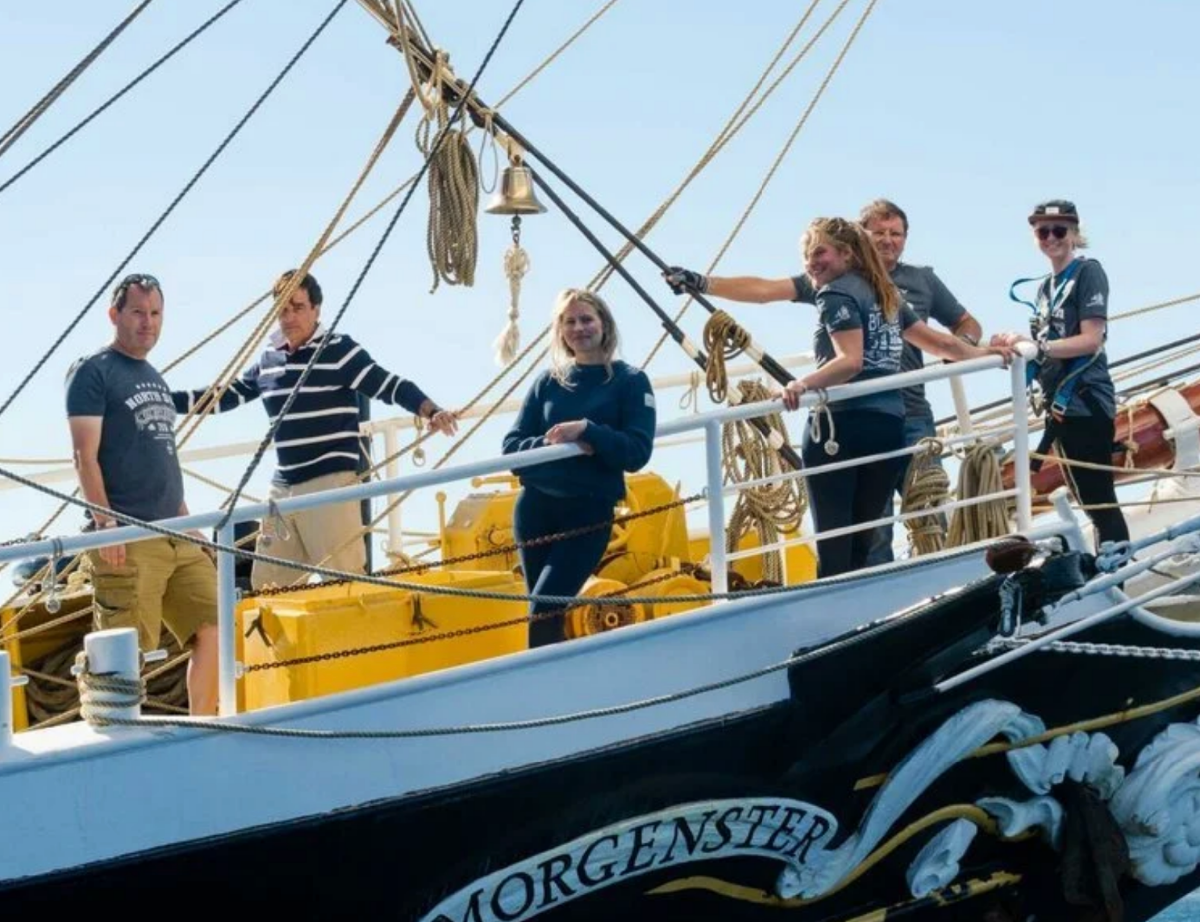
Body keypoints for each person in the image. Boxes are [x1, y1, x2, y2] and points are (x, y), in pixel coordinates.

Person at [667, 218, 1011, 578]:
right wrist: (988, 355)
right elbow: (940, 343)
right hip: (889, 426)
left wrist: (801, 384)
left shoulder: (834, 293)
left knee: (835, 547)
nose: (810, 262)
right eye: (806, 254)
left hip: (842, 427)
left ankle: (833, 604)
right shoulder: (886, 293)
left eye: (819, 252)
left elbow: (851, 361)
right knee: (862, 545)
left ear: (846, 254)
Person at [172, 270, 458, 590]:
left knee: (344, 585)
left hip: (330, 485)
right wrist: (165, 400)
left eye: (298, 307)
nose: (290, 317)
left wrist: (431, 410)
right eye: (283, 309)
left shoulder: (339, 350)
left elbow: (389, 385)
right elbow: (224, 396)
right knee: (269, 588)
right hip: (283, 490)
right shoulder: (270, 360)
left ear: (316, 309)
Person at [65, 273, 218, 715]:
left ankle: (205, 729)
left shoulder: (153, 377)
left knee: (215, 628)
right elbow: (84, 456)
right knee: (124, 653)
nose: (147, 322)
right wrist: (105, 524)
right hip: (128, 536)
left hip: (175, 532)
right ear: (114, 315)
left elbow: (161, 457)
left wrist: (189, 524)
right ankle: (119, 737)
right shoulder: (93, 372)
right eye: (137, 312)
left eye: (155, 313)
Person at [502, 289, 656, 648]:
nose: (579, 328)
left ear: (604, 324)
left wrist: (589, 431)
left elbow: (636, 451)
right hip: (535, 510)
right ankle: (556, 675)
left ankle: (543, 678)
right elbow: (511, 448)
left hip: (588, 511)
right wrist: (563, 445)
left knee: (545, 606)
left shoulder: (630, 381)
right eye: (569, 322)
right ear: (560, 331)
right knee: (544, 611)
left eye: (587, 319)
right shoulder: (547, 382)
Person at [990, 199, 1129, 550]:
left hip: (1085, 400)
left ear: (1074, 233)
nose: (1051, 238)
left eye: (1059, 231)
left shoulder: (1087, 273)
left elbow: (1091, 339)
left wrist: (1039, 348)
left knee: (1098, 500)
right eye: (1043, 232)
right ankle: (1108, 566)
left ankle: (1115, 568)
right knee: (1087, 499)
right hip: (1062, 405)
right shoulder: (1044, 289)